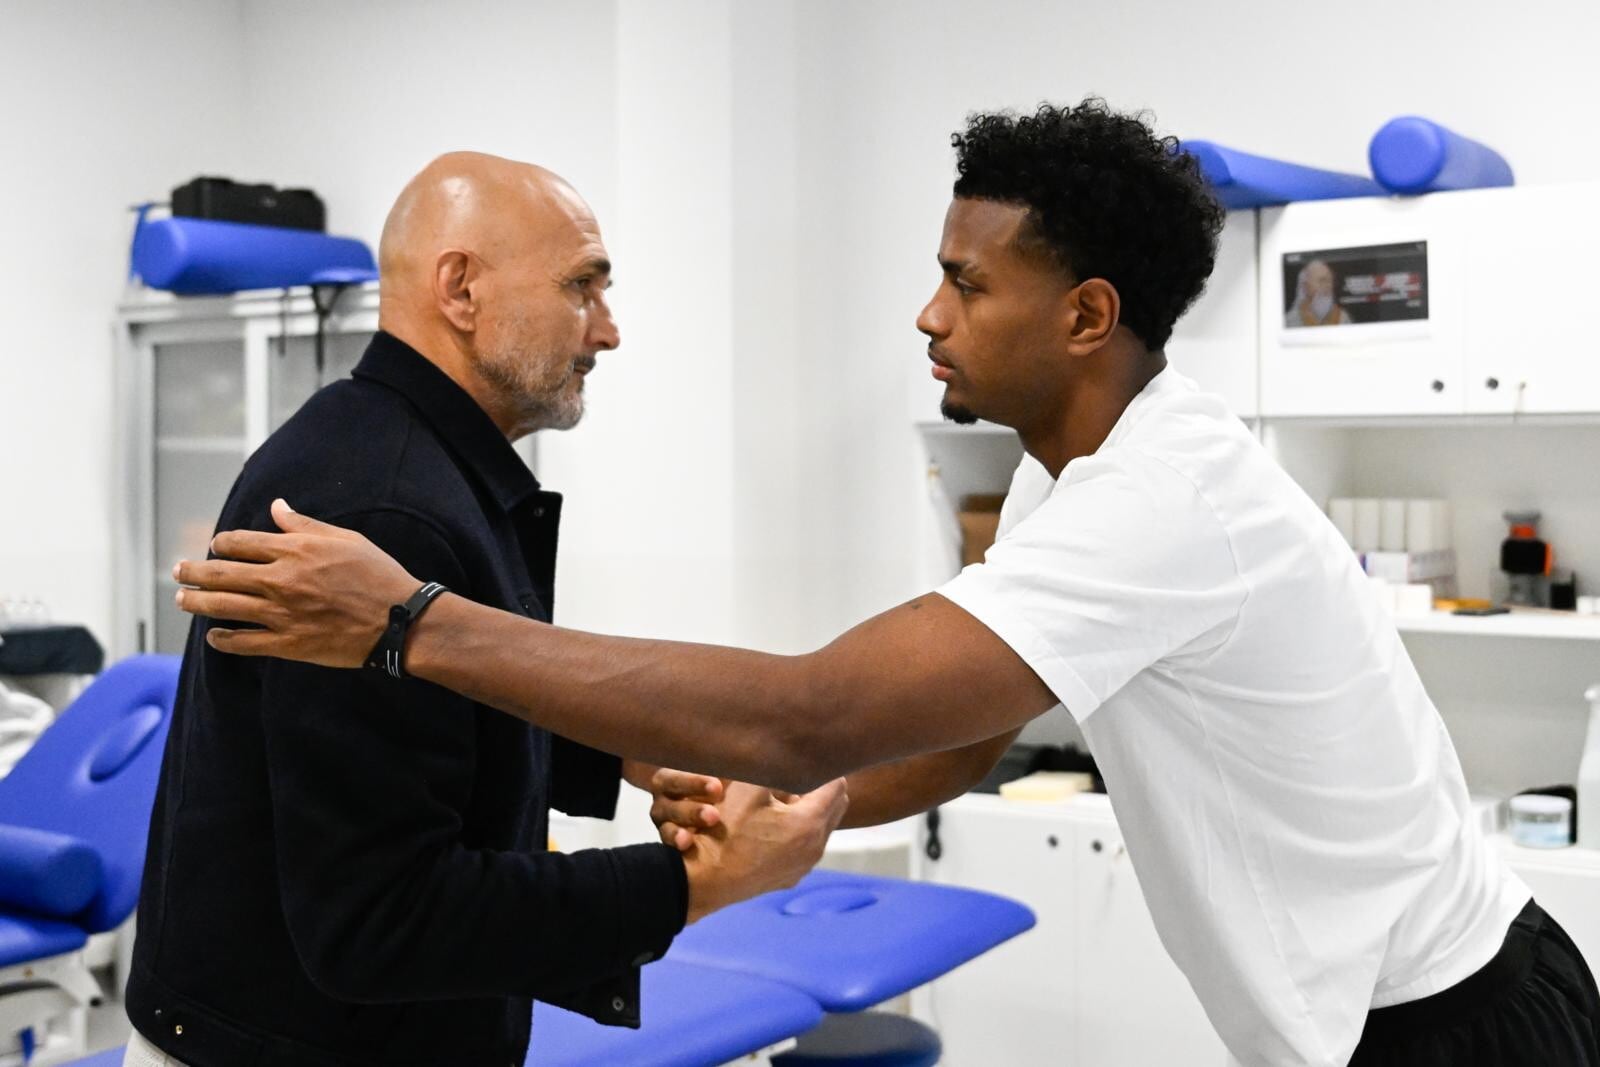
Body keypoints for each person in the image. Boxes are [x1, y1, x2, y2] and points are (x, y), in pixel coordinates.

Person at [173, 102, 1600, 1066]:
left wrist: (411, 624)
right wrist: (788, 812)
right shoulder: (1070, 472)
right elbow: (957, 736)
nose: (928, 312)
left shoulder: (1164, 500)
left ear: (1085, 315)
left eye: (967, 284)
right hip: (1369, 1007)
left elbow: (811, 710)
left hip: (1455, 1017)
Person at [126, 152, 847, 1067]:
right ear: (461, 289)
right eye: (582, 287)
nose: (608, 330)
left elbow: (446, 725)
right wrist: (690, 883)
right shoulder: (385, 510)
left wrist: (621, 751)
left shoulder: (409, 465)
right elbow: (382, 921)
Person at [1285, 258, 1352, 327]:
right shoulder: (1289, 321)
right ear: (1306, 287)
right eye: (1322, 281)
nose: (1328, 286)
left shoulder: (1343, 318)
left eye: (1330, 281)